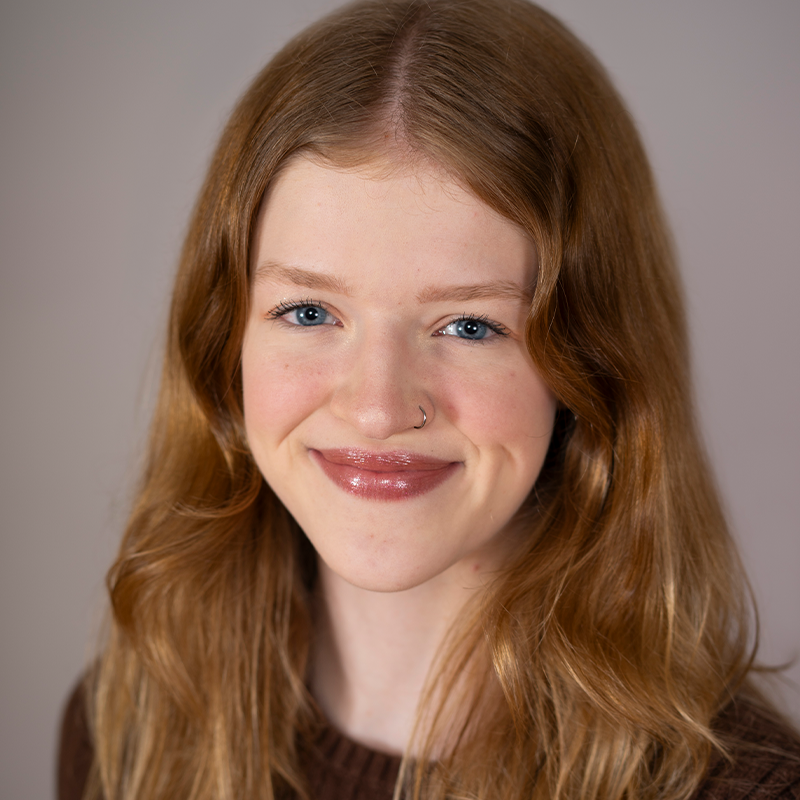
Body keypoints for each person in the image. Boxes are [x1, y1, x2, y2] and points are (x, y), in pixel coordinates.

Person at [58, 0, 800, 798]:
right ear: (223, 343)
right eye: (308, 313)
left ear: (593, 367)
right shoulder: (126, 729)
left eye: (469, 325)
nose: (378, 408)